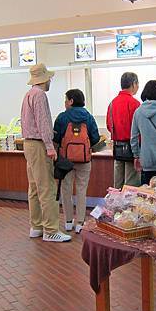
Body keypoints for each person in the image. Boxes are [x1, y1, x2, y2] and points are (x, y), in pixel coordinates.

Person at [21, 63, 71, 243]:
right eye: (49, 78)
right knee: (47, 188)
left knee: (34, 188)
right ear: (44, 79)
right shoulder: (40, 95)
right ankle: (51, 229)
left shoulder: (28, 94)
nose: (50, 81)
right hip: (39, 145)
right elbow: (43, 122)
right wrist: (50, 146)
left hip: (28, 144)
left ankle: (36, 226)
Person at [53, 89, 100, 234]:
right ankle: (80, 222)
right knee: (81, 190)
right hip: (84, 160)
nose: (65, 102)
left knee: (66, 189)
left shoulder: (62, 117)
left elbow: (55, 138)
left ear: (71, 101)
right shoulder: (89, 117)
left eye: (66, 100)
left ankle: (68, 221)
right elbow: (96, 138)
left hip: (65, 161)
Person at [106, 72, 141, 189]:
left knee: (117, 183)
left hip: (117, 148)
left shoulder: (112, 103)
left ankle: (116, 201)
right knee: (131, 183)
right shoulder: (135, 103)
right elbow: (139, 129)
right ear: (133, 84)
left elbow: (109, 125)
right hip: (132, 148)